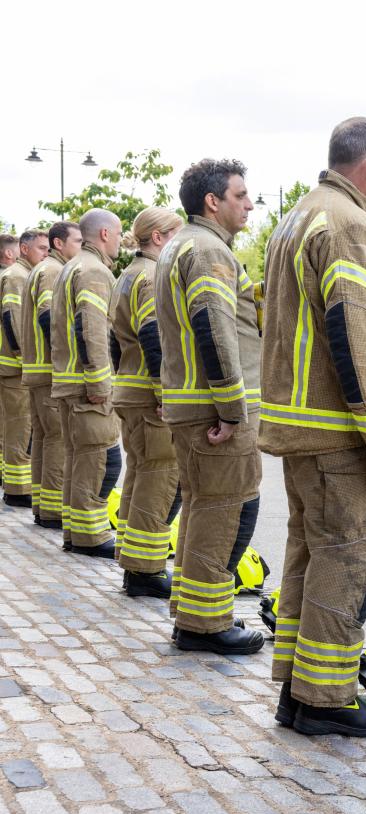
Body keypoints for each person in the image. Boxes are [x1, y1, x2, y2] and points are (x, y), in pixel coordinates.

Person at [261, 117, 366, 737]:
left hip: (303, 431)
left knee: (309, 555)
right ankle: (325, 700)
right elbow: (357, 338)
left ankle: (299, 690)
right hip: (339, 436)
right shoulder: (350, 226)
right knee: (349, 559)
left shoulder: (298, 217)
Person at [155, 158, 264, 657]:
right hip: (212, 410)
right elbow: (212, 328)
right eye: (240, 195)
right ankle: (204, 624)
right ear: (212, 202)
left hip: (190, 404)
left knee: (204, 509)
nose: (248, 204)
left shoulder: (180, 244)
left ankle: (194, 615)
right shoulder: (209, 252)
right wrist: (232, 408)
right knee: (224, 510)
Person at [110, 207, 183, 599]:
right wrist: (163, 393)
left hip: (130, 388)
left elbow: (115, 338)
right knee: (159, 479)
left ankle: (133, 560)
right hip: (148, 395)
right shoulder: (153, 275)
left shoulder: (127, 275)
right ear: (158, 237)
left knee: (140, 475)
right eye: (176, 234)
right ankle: (145, 571)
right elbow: (153, 334)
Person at [50, 209, 124, 558]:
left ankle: (75, 532)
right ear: (106, 234)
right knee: (99, 460)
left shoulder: (72, 266)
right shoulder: (94, 271)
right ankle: (89, 538)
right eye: (120, 234)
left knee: (80, 459)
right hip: (86, 386)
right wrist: (99, 382)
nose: (123, 241)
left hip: (69, 381)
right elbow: (92, 328)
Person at [22, 221, 80, 530]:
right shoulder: (53, 271)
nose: (81, 247)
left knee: (45, 438)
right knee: (57, 439)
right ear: (61, 244)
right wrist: (64, 356)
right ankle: (53, 510)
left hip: (37, 370)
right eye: (77, 241)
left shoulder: (41, 269)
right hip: (49, 370)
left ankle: (44, 507)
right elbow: (48, 317)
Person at [0, 229, 48, 507]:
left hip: (10, 366)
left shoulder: (15, 275)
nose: (45, 254)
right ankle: (18, 490)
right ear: (22, 249)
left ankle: (15, 484)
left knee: (13, 427)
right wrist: (22, 356)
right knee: (20, 429)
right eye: (41, 248)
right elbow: (11, 318)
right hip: (14, 368)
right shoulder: (17, 276)